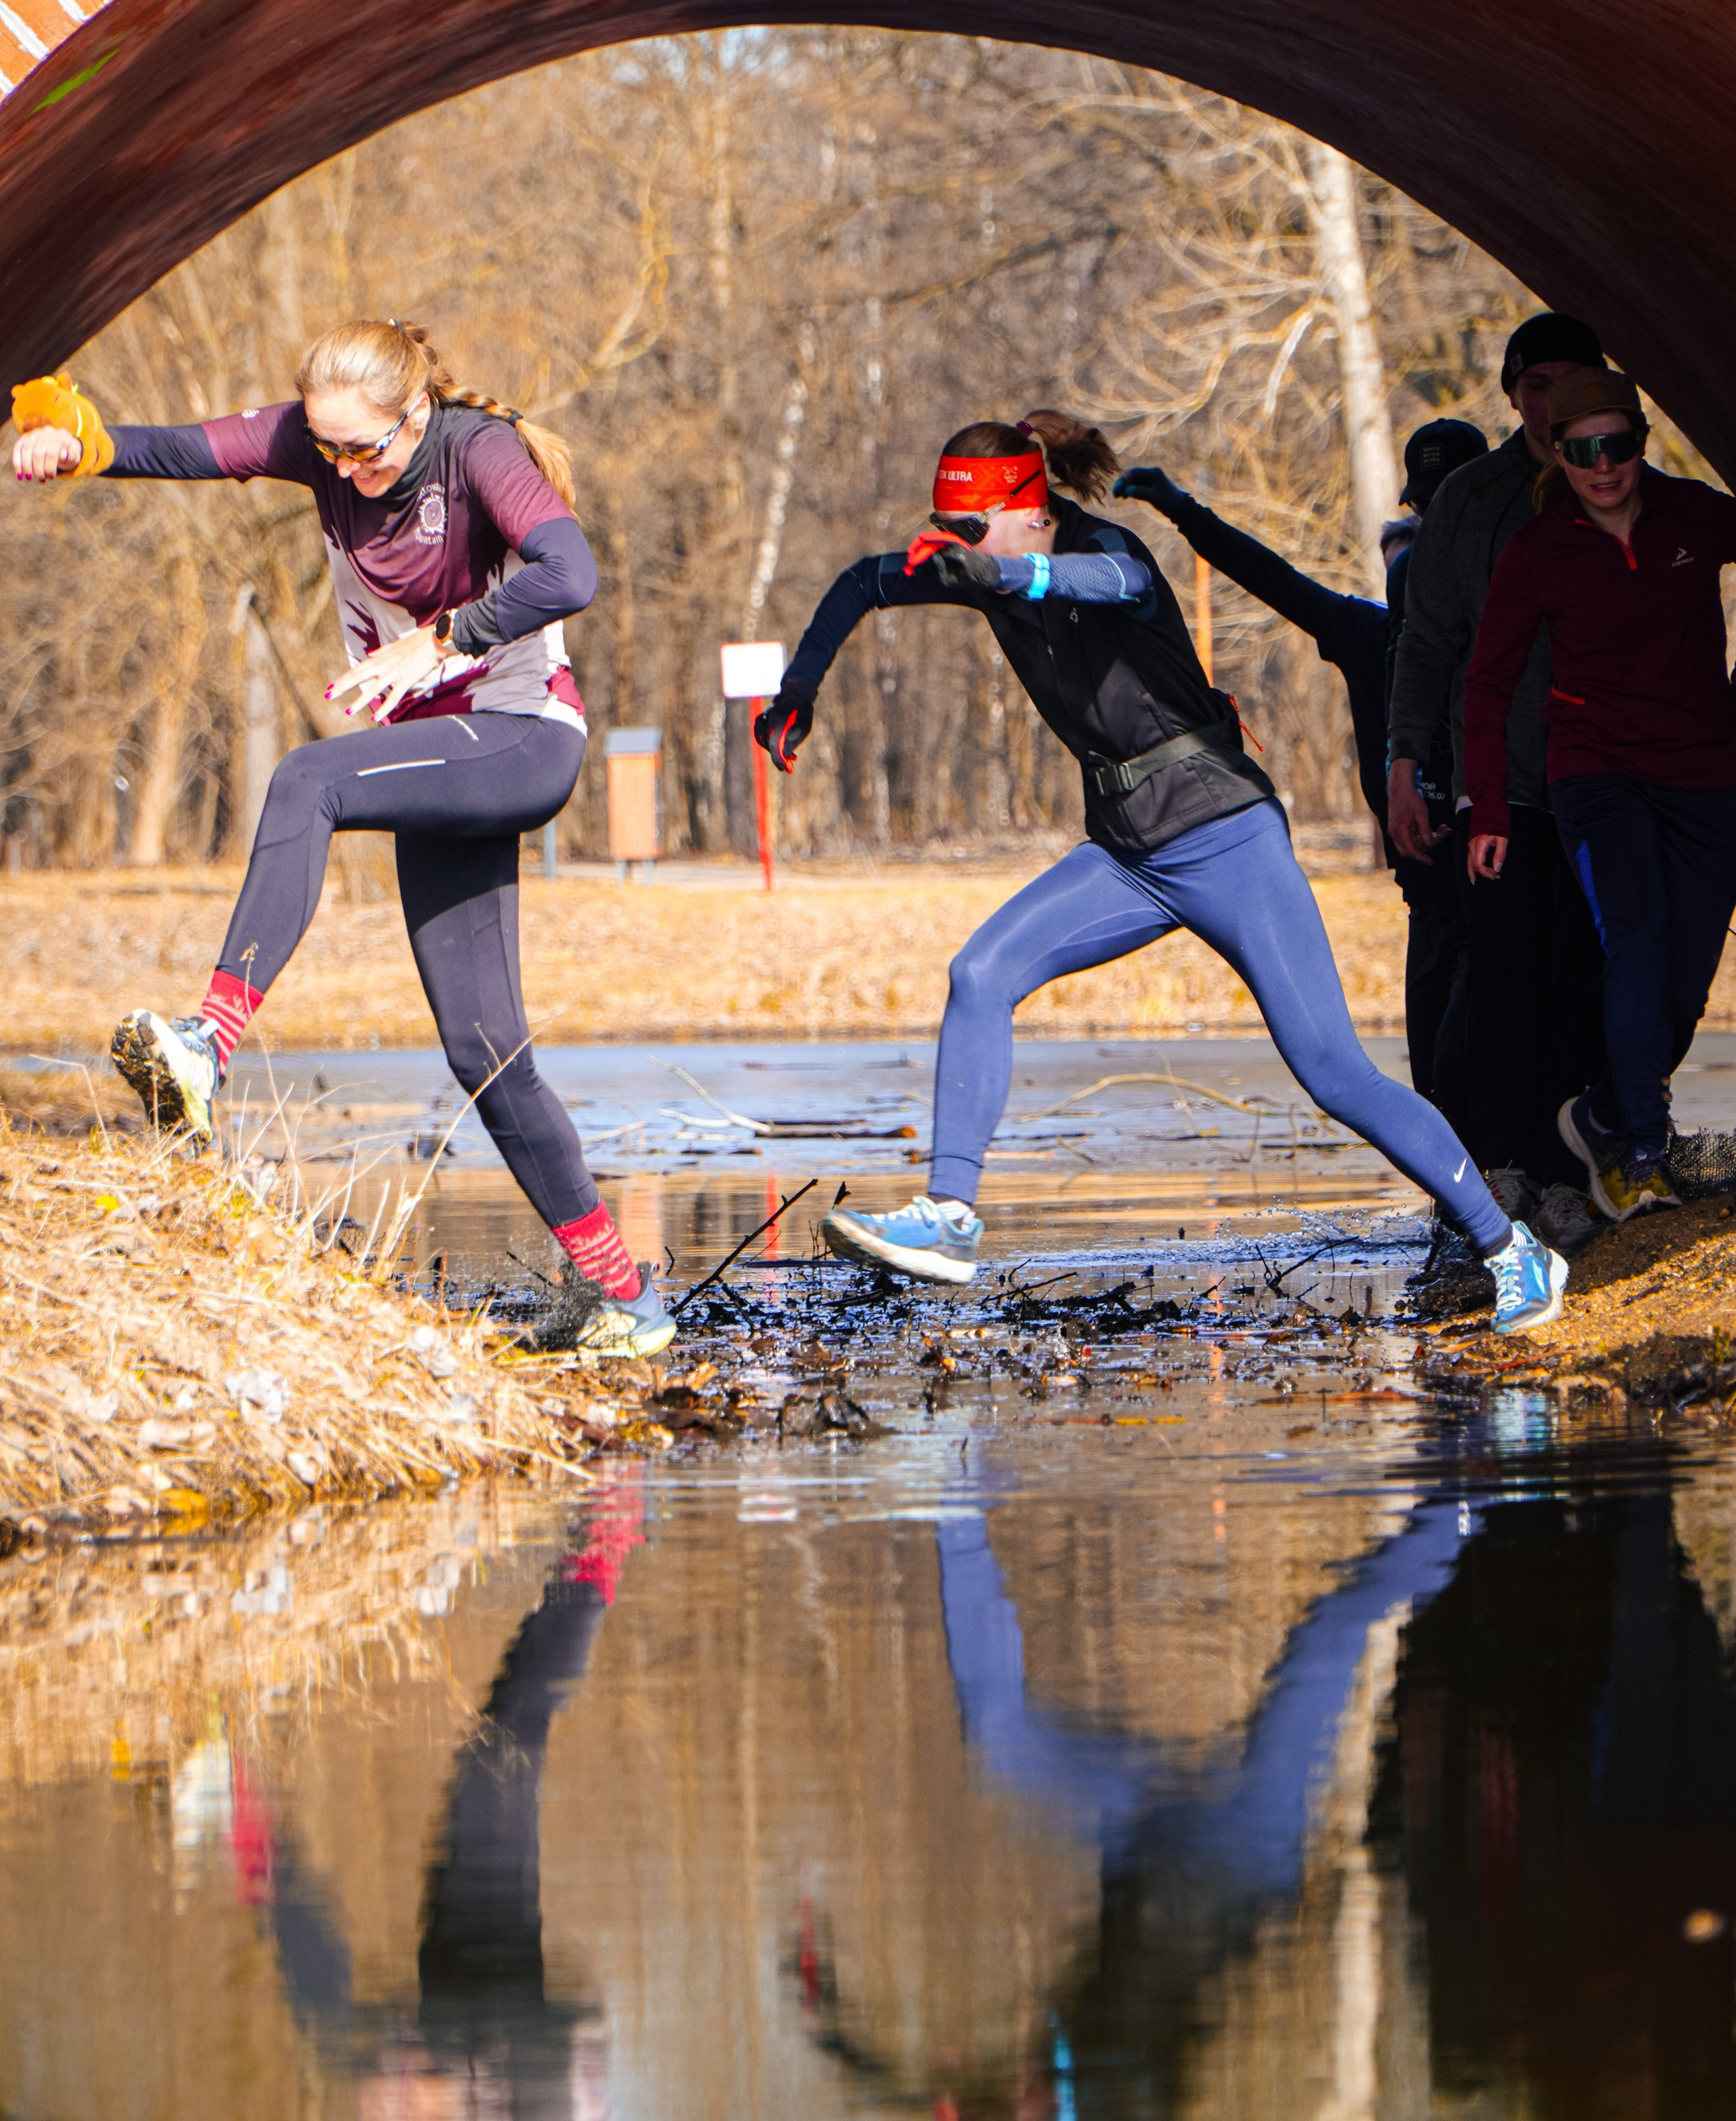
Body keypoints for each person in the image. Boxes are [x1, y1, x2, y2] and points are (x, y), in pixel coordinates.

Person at [755, 410, 1566, 1337]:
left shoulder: (1104, 550)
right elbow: (866, 580)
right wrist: (800, 690)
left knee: (1336, 1074)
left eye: (972, 529)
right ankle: (950, 1219)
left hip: (1227, 838)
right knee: (979, 973)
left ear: (1029, 509)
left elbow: (1117, 582)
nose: (958, 546)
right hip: (1128, 854)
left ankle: (1514, 1250)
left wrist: (1002, 574)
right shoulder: (983, 558)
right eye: (951, 530)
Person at [8, 328, 672, 1355]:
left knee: (307, 777)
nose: (345, 470)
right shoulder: (317, 443)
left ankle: (209, 1044)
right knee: (483, 1050)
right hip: (437, 759)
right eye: (325, 451)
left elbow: (570, 570)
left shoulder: (473, 449)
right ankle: (624, 1299)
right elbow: (178, 449)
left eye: (365, 451)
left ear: (413, 415)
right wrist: (74, 442)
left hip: (522, 738)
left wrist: (448, 638)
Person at [1113, 412, 1485, 1129]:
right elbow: (1270, 577)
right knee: (1435, 1078)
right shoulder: (1366, 634)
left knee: (1479, 1054)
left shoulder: (1509, 620)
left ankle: (1531, 1187)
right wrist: (1180, 509)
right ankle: (1471, 1213)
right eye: (1415, 526)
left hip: (1501, 889)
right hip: (1428, 903)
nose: (1419, 554)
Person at [1464, 368, 1736, 1220]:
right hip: (1595, 772)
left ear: (1639, 443)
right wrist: (1491, 806)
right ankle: (1641, 1152)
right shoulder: (1539, 551)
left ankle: (1603, 1114)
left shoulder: (1696, 515)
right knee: (1638, 937)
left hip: (1705, 771)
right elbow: (1486, 683)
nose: (1603, 467)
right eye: (1582, 451)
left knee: (1688, 977)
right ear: (1559, 454)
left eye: (1616, 446)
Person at [1387, 313, 1610, 1209]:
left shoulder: (1623, 481)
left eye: (1570, 381)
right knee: (1502, 975)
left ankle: (1582, 1162)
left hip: (1612, 779)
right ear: (1514, 392)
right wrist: (1405, 765)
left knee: (1594, 971)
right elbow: (1426, 640)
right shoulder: (1471, 502)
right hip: (1500, 784)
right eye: (1535, 383)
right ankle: (1505, 1166)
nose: (1550, 402)